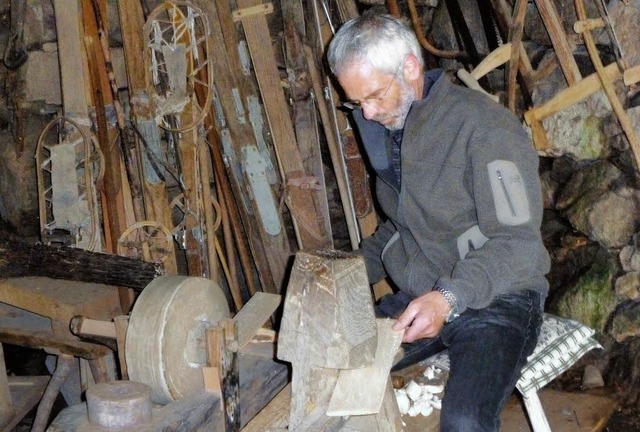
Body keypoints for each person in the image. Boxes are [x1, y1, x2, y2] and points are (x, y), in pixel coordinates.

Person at [327, 12, 551, 431]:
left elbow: (518, 245)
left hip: (498, 296)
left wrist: (447, 297)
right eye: (356, 103)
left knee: (465, 421)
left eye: (374, 95)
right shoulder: (391, 127)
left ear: (410, 68)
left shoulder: (486, 130)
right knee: (333, 377)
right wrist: (342, 272)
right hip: (422, 293)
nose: (368, 114)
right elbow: (403, 227)